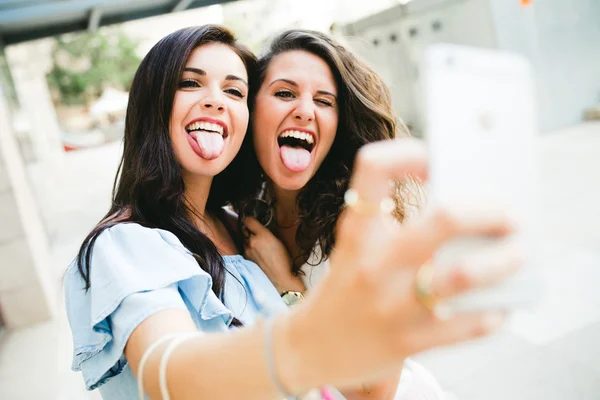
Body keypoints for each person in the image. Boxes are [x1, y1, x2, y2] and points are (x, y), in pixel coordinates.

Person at [65, 25, 523, 400]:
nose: (215, 100)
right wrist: (301, 316)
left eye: (233, 90)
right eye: (190, 82)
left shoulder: (237, 225)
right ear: (152, 102)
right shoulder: (128, 241)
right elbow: (169, 376)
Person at [235, 30, 436, 399]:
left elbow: (371, 392)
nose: (305, 110)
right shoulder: (250, 211)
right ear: (251, 109)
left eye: (324, 101)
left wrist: (287, 287)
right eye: (284, 93)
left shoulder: (359, 222)